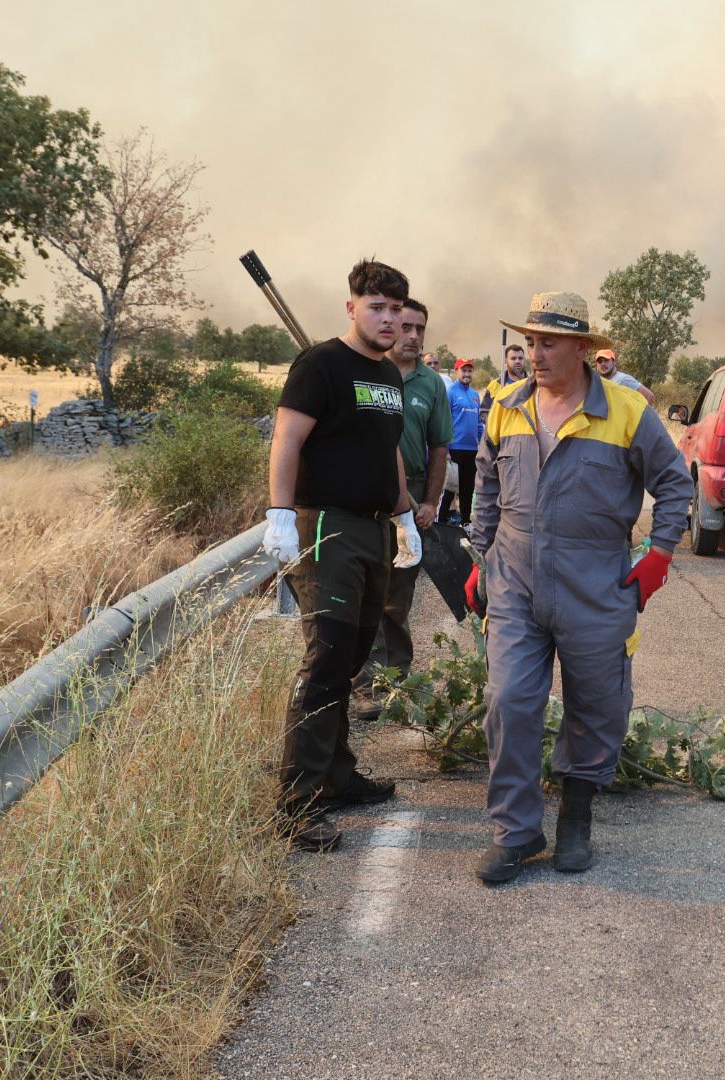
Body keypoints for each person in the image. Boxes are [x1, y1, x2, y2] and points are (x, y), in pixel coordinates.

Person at [467, 291, 693, 884]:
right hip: (515, 577)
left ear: (583, 349)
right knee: (508, 699)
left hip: (594, 580)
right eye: (531, 342)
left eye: (549, 343)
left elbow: (675, 484)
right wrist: (479, 556)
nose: (535, 354)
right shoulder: (505, 406)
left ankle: (576, 817)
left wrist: (659, 553)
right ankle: (516, 830)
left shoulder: (627, 411)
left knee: (596, 704)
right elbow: (487, 486)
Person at [260, 259, 423, 852]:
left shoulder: (389, 377)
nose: (389, 319)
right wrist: (280, 513)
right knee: (327, 660)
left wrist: (404, 515)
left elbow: (390, 451)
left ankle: (336, 775)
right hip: (326, 524)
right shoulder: (320, 365)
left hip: (374, 529)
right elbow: (287, 439)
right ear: (352, 307)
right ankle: (296, 806)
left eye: (396, 310)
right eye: (376, 307)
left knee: (352, 657)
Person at [350, 297, 453, 721]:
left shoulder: (432, 385)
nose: (412, 336)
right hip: (366, 493)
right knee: (365, 592)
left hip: (411, 491)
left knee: (398, 594)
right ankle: (365, 685)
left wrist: (430, 502)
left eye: (419, 329)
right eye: (405, 327)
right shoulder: (368, 371)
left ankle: (399, 680)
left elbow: (440, 448)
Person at [440, 357, 482, 524]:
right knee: (450, 490)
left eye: (470, 371)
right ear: (456, 371)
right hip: (454, 449)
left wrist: (482, 445)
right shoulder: (450, 392)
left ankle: (466, 523)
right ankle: (440, 523)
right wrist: (446, 449)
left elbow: (478, 424)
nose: (467, 374)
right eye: (463, 370)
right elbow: (445, 421)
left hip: (472, 450)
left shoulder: (475, 395)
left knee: (468, 490)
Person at [479, 342, 529, 428]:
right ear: (505, 362)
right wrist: (497, 424)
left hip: (526, 433)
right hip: (502, 434)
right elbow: (483, 413)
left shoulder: (533, 385)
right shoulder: (495, 386)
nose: (517, 361)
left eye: (520, 358)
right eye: (513, 358)